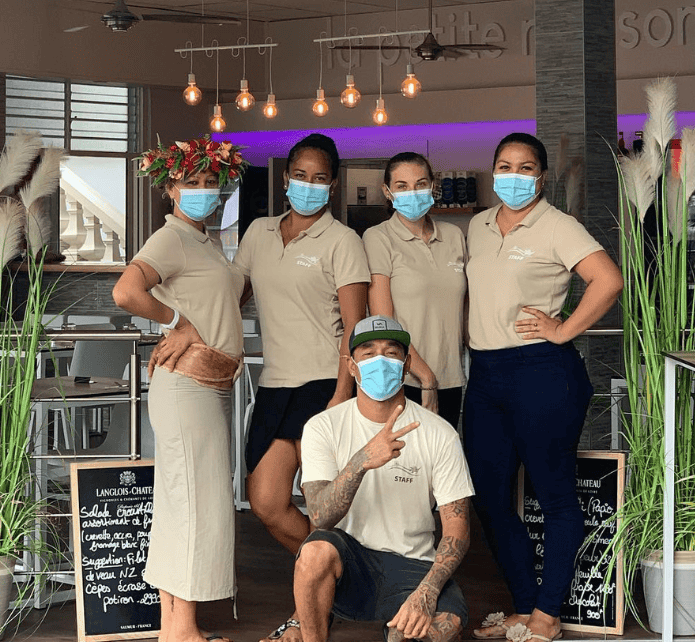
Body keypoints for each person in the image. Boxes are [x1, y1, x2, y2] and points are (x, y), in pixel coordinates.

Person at [464, 132, 623, 642]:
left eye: (525, 167)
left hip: (542, 373)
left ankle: (547, 616)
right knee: (489, 496)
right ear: (492, 170)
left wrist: (563, 329)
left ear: (542, 175)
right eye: (505, 165)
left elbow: (608, 280)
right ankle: (524, 605)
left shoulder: (558, 225)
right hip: (485, 375)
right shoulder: (478, 225)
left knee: (554, 496)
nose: (514, 176)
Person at [232, 132, 370, 642]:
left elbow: (354, 329)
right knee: (266, 502)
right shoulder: (259, 233)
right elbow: (231, 295)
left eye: (319, 178)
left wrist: (340, 396)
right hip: (274, 385)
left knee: (321, 508)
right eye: (300, 176)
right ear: (285, 177)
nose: (308, 186)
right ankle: (339, 575)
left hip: (321, 385)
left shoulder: (342, 241)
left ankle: (308, 617)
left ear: (332, 185)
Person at [112, 135, 247, 642]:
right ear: (171, 188)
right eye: (192, 182)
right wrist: (177, 322)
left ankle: (175, 626)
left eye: (211, 183)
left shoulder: (204, 239)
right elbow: (126, 291)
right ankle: (184, 630)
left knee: (182, 503)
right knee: (197, 503)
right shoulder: (170, 237)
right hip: (187, 384)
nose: (203, 191)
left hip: (206, 384)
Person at [295, 315, 473, 642]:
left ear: (406, 366)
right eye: (368, 353)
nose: (381, 361)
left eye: (391, 353)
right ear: (351, 366)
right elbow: (320, 517)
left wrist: (427, 593)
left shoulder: (439, 433)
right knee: (314, 553)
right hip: (352, 564)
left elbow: (457, 531)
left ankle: (398, 629)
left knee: (445, 628)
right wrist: (362, 461)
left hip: (413, 566)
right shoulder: (322, 427)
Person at [363, 152, 467, 429]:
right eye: (402, 186)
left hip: (451, 378)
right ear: (387, 191)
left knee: (441, 468)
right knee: (404, 469)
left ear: (433, 186)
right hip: (404, 379)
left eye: (421, 184)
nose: (413, 192)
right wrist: (426, 378)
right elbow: (384, 321)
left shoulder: (455, 236)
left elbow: (465, 311)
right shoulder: (378, 238)